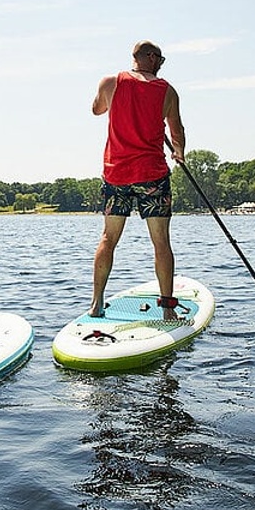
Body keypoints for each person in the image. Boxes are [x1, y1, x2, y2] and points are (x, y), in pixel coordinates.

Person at [89, 40, 186, 321]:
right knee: (161, 243)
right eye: (161, 59)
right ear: (151, 58)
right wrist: (179, 152)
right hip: (152, 176)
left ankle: (96, 304)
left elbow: (97, 109)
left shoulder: (110, 82)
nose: (161, 65)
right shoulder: (167, 91)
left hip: (116, 174)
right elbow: (177, 132)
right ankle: (167, 309)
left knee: (108, 238)